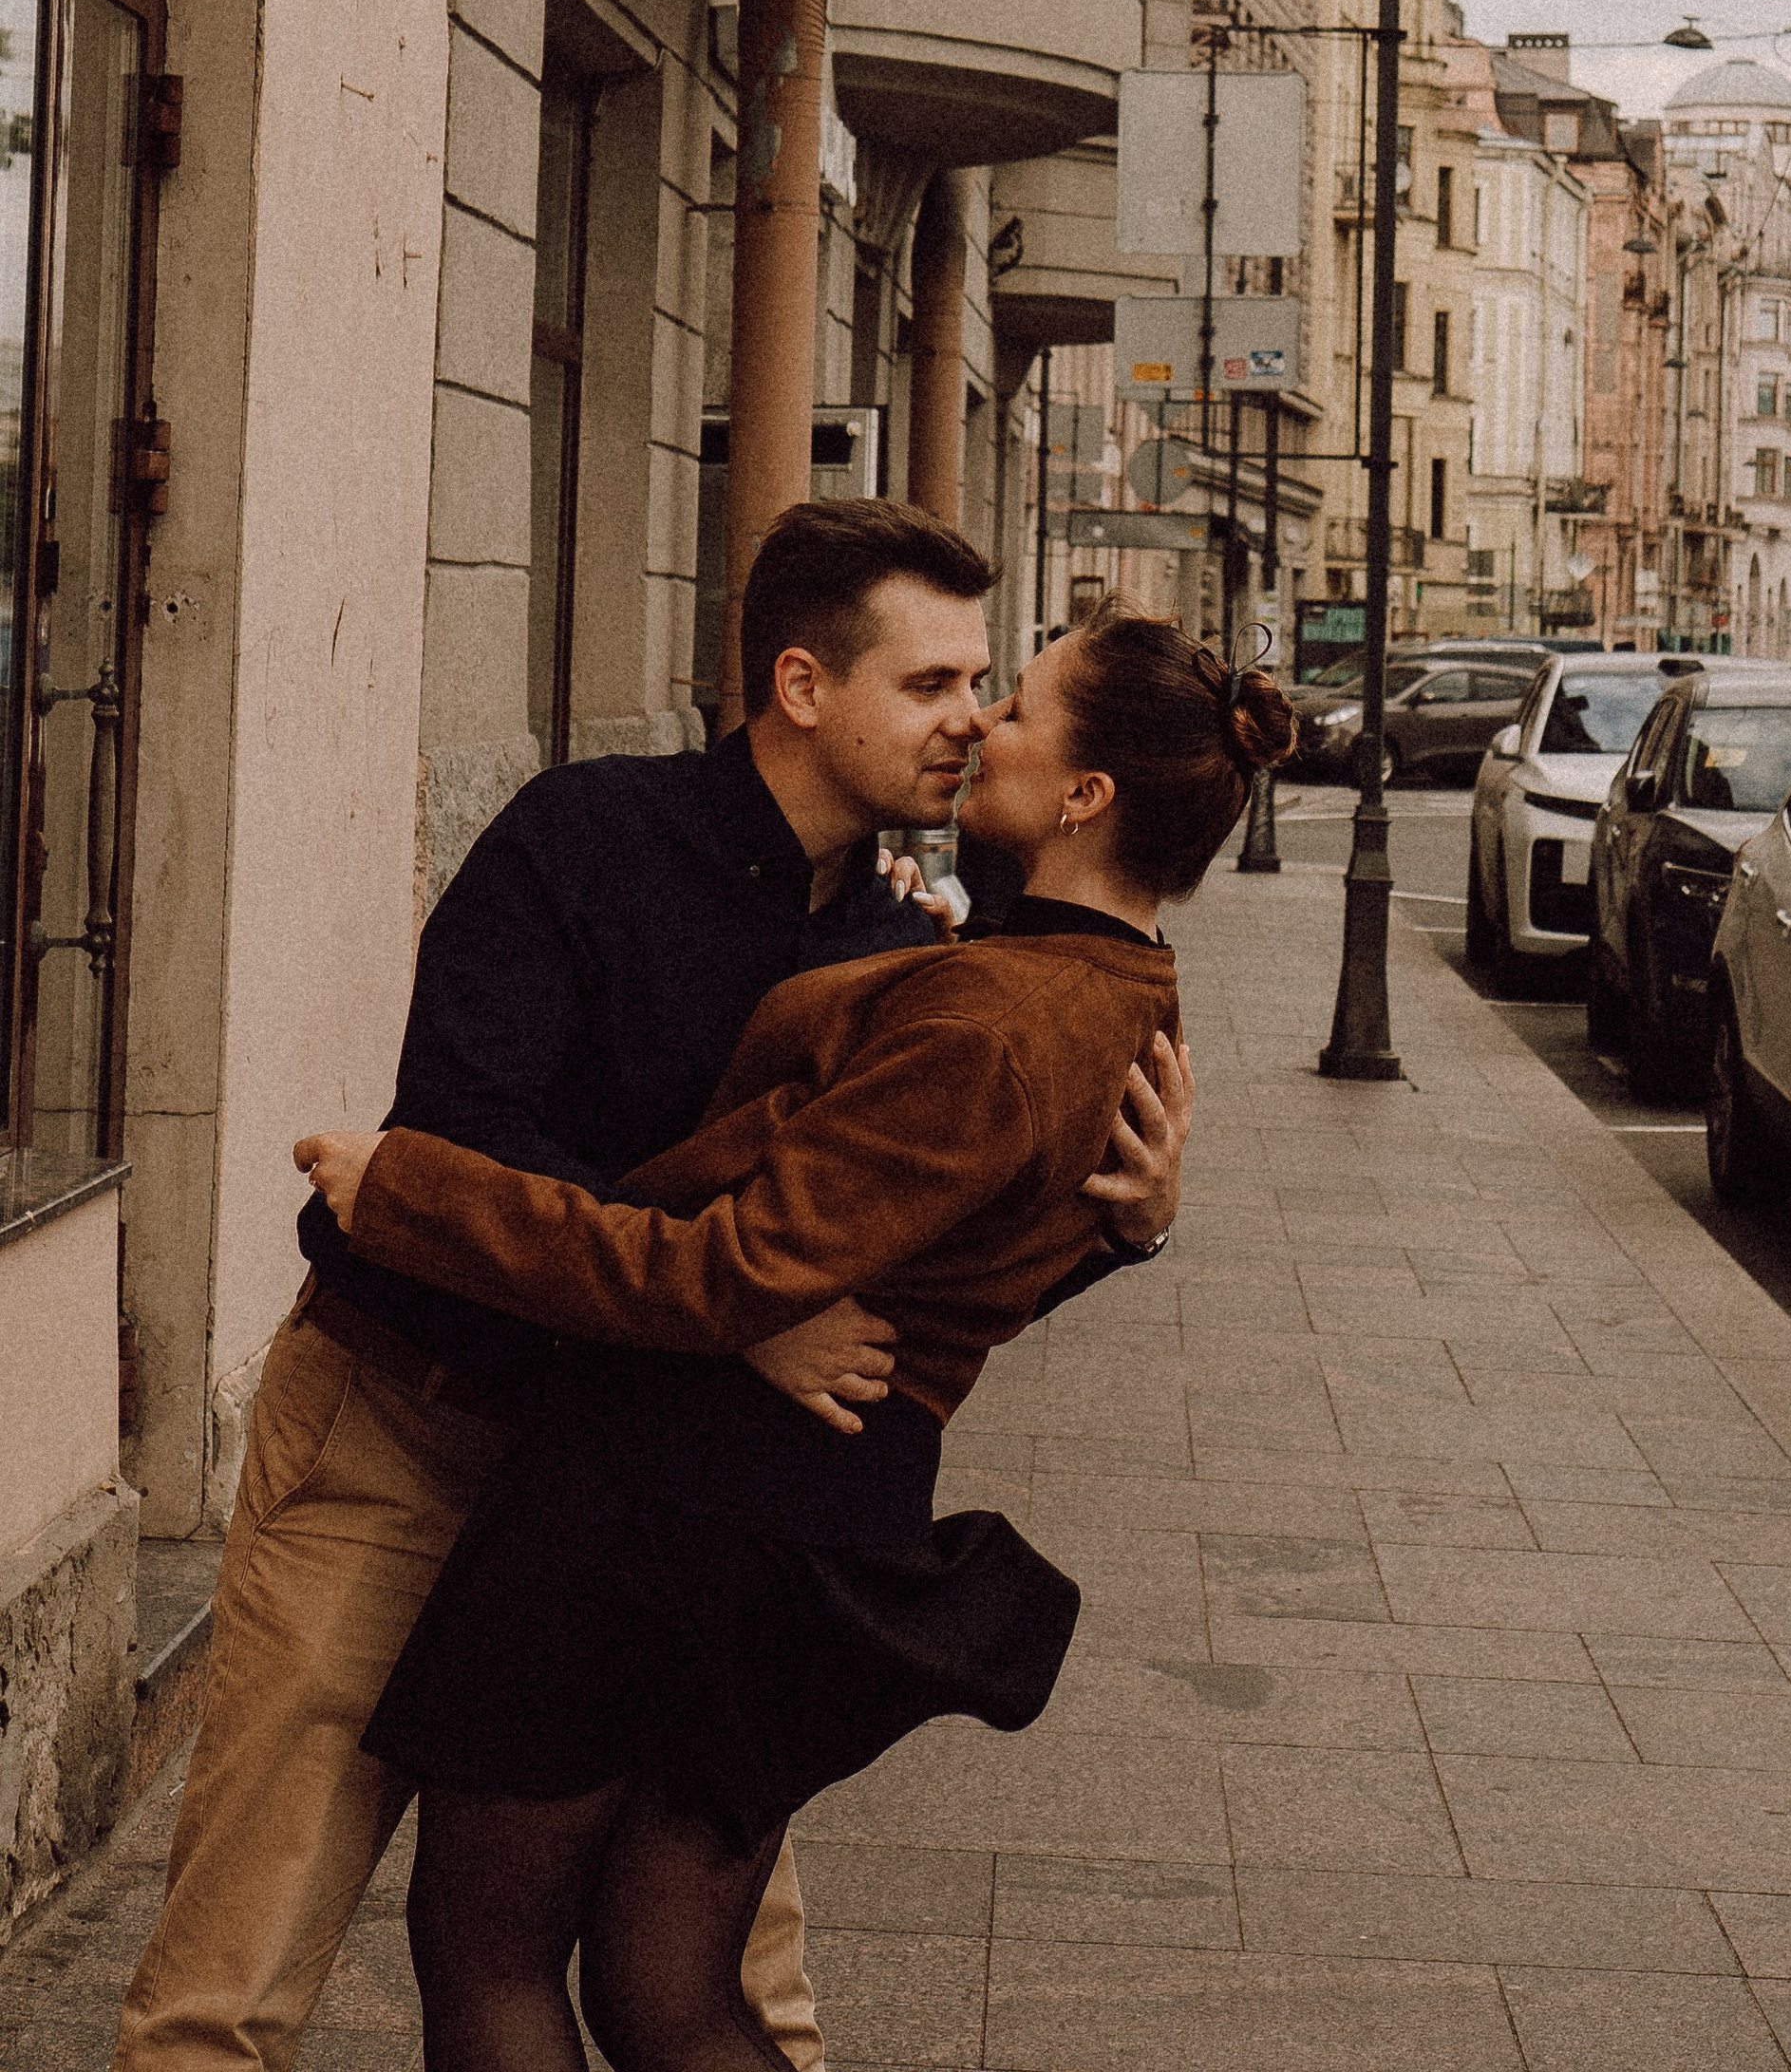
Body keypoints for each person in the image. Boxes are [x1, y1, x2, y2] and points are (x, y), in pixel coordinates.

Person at [114, 501, 1191, 2072]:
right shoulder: (584, 834)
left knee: (731, 1989)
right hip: (410, 1432)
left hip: (641, 1509)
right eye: (935, 683)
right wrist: (732, 1311)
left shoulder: (910, 942)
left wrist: (1120, 1227)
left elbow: (922, 1272)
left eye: (989, 687)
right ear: (804, 686)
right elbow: (466, 1130)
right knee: (238, 1970)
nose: (969, 720)